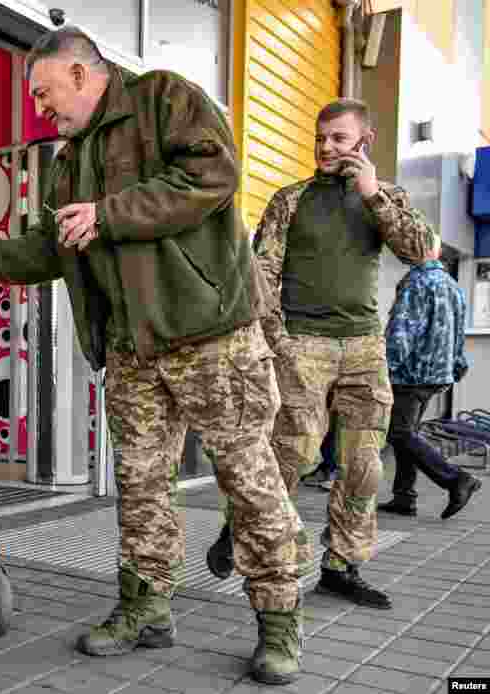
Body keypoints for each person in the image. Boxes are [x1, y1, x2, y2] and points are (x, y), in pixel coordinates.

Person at [0, 27, 302, 685]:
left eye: (46, 94)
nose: (40, 111)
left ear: (81, 74)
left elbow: (213, 174)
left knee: (249, 481)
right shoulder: (66, 159)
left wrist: (109, 214)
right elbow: (55, 247)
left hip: (211, 337)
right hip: (131, 352)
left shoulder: (164, 98)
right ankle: (146, 609)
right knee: (141, 488)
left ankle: (279, 624)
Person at [211, 98, 433, 611]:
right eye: (320, 138)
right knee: (293, 456)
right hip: (302, 345)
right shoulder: (291, 200)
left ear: (364, 142)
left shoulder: (386, 197)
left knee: (363, 466)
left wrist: (373, 194)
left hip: (363, 349)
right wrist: (277, 342)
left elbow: (420, 251)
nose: (326, 147)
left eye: (338, 138)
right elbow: (260, 276)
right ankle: (243, 528)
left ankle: (340, 566)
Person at [379, 235, 482, 520]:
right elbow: (458, 335)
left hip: (410, 374)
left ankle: (456, 479)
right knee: (406, 431)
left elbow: (400, 334)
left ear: (416, 250)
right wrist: (456, 365)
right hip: (438, 375)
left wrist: (385, 368)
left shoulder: (416, 283)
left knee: (399, 432)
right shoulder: (453, 286)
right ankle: (404, 497)